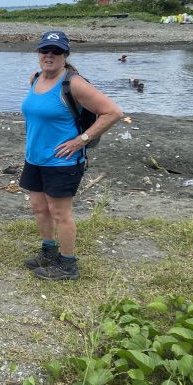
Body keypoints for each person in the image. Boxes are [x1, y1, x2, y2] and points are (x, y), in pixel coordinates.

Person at [19, 31, 123, 280]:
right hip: (35, 158)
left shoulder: (73, 83)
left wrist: (81, 140)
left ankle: (68, 265)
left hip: (62, 161)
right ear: (38, 53)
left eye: (56, 51)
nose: (50, 56)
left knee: (59, 213)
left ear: (65, 55)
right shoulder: (35, 78)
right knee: (39, 208)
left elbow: (113, 112)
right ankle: (48, 251)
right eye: (45, 50)